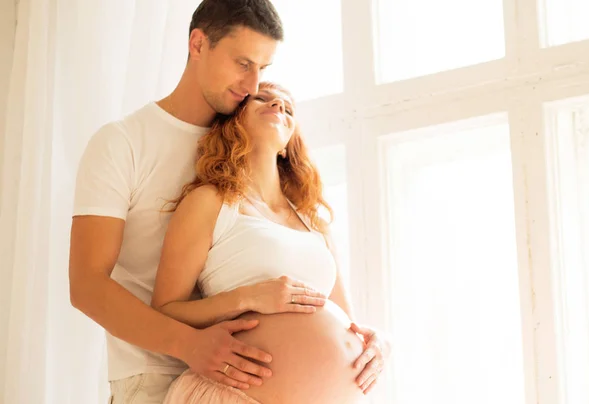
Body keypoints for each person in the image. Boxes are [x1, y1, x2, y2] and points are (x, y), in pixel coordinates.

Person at [69, 1, 285, 403]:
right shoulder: (123, 143)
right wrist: (189, 345)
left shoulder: (251, 142)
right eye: (243, 63)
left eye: (263, 69)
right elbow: (86, 286)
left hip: (248, 383)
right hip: (154, 376)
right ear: (198, 43)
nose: (254, 85)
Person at [152, 82, 391, 404]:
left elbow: (346, 320)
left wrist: (375, 342)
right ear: (233, 122)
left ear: (287, 145)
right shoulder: (209, 202)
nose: (278, 106)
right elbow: (164, 312)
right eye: (263, 99)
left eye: (288, 107)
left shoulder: (314, 221)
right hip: (237, 394)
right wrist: (247, 298)